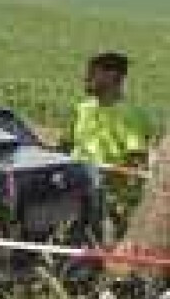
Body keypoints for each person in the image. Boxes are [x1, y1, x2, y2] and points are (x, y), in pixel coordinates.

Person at [61, 51, 160, 231]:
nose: (86, 77)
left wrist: (120, 208)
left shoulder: (130, 115)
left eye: (93, 72)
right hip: (75, 199)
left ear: (112, 76)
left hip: (111, 207)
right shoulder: (82, 109)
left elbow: (136, 166)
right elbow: (64, 148)